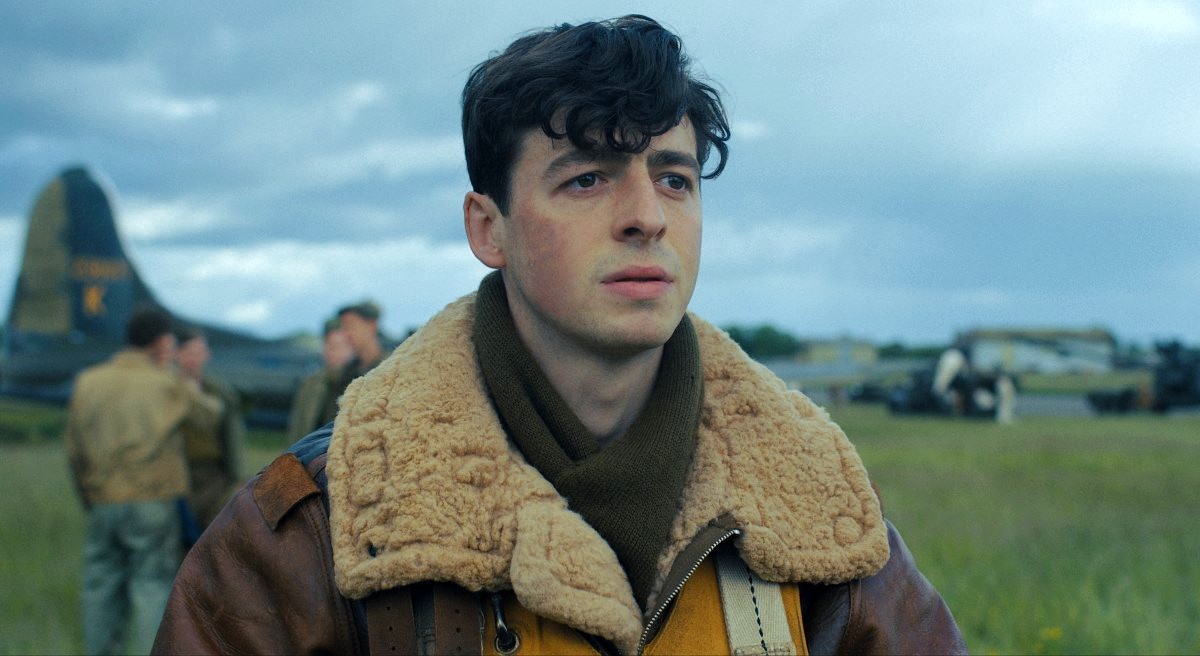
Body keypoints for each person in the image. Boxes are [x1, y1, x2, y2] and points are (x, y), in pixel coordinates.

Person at [155, 16, 965, 654]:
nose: (648, 217)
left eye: (674, 178)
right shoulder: (322, 524)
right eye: (586, 178)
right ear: (489, 228)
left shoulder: (818, 509)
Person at [65, 308, 221, 655]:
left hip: (103, 499)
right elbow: (210, 415)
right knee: (151, 586)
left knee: (100, 588)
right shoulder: (163, 382)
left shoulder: (89, 381)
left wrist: (89, 496)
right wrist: (178, 374)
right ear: (163, 342)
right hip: (153, 500)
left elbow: (74, 450)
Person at [175, 326, 246, 528]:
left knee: (214, 533)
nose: (193, 359)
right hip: (178, 474)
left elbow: (232, 435)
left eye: (198, 353)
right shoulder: (167, 390)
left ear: (207, 355)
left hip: (213, 476)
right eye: (188, 353)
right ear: (177, 354)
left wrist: (238, 478)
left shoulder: (218, 391)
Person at [314, 301, 386, 427]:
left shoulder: (390, 369)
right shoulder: (343, 375)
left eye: (350, 326)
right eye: (343, 328)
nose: (346, 334)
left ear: (371, 326)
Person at [286, 318, 355, 443]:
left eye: (338, 346)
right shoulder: (311, 382)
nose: (331, 351)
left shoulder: (359, 383)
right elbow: (298, 425)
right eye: (328, 345)